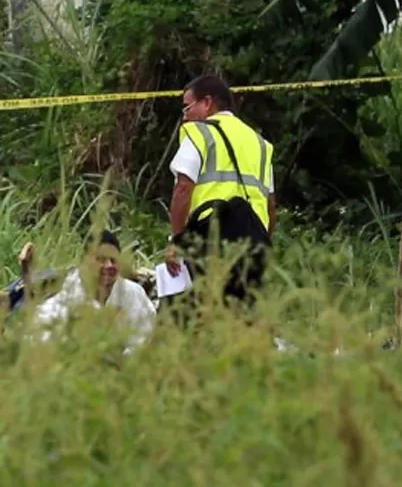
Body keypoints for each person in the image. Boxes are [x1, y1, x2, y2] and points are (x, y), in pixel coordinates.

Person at [166, 75, 275, 308]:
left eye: (188, 106)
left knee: (206, 314)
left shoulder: (200, 133)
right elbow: (270, 203)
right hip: (255, 243)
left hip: (211, 238)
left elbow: (183, 188)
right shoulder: (260, 144)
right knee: (244, 319)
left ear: (207, 102)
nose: (185, 115)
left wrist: (177, 240)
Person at [34, 230, 156, 354]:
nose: (109, 266)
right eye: (101, 259)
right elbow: (43, 335)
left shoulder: (132, 292)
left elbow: (143, 335)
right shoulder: (68, 293)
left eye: (113, 260)